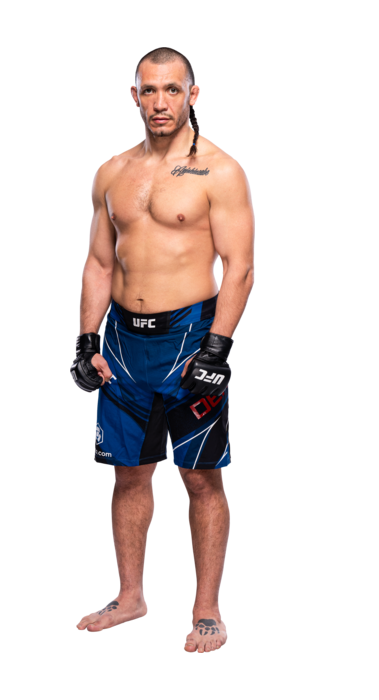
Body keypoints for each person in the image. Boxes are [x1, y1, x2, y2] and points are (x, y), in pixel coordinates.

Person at [70, 47, 254, 653]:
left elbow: (240, 266)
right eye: (149, 90)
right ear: (134, 96)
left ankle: (207, 611)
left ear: (192, 95)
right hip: (123, 343)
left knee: (200, 477)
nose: (160, 102)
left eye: (172, 89)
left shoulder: (221, 171)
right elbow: (99, 262)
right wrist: (85, 342)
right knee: (128, 473)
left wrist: (218, 349)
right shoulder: (112, 171)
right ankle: (131, 597)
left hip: (189, 338)